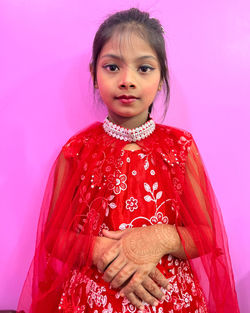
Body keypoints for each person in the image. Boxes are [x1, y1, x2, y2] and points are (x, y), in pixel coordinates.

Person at [17, 7, 240, 313]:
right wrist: (99, 249)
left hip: (170, 301)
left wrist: (159, 238)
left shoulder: (180, 148)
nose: (127, 80)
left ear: (161, 78)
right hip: (91, 301)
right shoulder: (77, 150)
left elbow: (206, 235)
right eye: (112, 67)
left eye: (144, 68)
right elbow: (53, 239)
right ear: (94, 74)